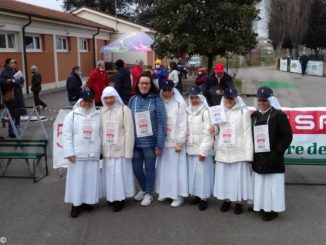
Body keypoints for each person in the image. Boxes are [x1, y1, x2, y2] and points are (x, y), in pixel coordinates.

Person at [251, 86, 293, 221]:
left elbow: (287, 135)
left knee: (272, 185)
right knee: (260, 183)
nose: (261, 103)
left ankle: (272, 210)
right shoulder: (254, 116)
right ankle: (260, 205)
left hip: (273, 156)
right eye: (259, 100)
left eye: (264, 101)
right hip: (259, 156)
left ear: (270, 100)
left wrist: (278, 150)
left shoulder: (278, 115)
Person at [213, 87, 254, 215]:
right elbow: (217, 130)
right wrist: (213, 130)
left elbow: (247, 134)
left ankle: (238, 203)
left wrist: (248, 155)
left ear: (236, 99)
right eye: (227, 98)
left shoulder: (243, 113)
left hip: (238, 152)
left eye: (232, 98)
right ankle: (226, 200)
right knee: (225, 178)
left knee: (237, 178)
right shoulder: (218, 112)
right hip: (223, 151)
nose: (229, 100)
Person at [128, 73, 167, 206]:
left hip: (151, 142)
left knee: (150, 168)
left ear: (151, 85)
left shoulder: (157, 100)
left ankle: (149, 193)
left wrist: (159, 144)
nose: (144, 86)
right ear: (137, 85)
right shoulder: (133, 100)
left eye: (146, 83)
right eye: (141, 83)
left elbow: (162, 123)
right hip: (135, 142)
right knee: (136, 168)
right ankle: (144, 188)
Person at [62, 90, 102, 218]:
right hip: (77, 155)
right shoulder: (72, 116)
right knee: (77, 181)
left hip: (92, 155)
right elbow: (66, 136)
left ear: (92, 102)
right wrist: (69, 152)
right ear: (80, 101)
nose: (87, 103)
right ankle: (75, 204)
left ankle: (87, 202)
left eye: (89, 101)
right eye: (84, 100)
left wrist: (100, 151)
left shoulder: (97, 116)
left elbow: (100, 134)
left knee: (90, 180)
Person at [100, 86, 135, 212]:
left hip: (120, 150)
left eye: (111, 98)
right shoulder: (102, 111)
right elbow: (100, 132)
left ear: (115, 97)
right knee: (109, 176)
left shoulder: (124, 110)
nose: (109, 100)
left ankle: (119, 199)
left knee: (119, 176)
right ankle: (111, 196)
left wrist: (128, 151)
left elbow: (129, 132)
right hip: (107, 150)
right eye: (106, 98)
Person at [155, 80, 188, 207]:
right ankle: (165, 191)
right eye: (165, 90)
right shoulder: (159, 103)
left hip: (176, 143)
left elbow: (182, 124)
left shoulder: (179, 104)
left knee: (176, 169)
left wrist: (180, 142)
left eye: (169, 90)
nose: (167, 92)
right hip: (163, 141)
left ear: (173, 90)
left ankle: (178, 195)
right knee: (164, 168)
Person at [186, 85, 214, 211]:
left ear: (201, 98)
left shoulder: (206, 112)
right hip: (191, 150)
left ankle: (204, 198)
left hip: (201, 151)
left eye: (196, 98)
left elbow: (208, 134)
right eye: (192, 98)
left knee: (203, 176)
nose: (193, 100)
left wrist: (203, 151)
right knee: (194, 175)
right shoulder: (188, 111)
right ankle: (197, 195)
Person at [0, 58, 25, 138]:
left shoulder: (17, 72)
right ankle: (11, 131)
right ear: (7, 64)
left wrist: (13, 81)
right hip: (10, 96)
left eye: (15, 62)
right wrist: (13, 82)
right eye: (12, 62)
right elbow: (3, 83)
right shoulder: (4, 73)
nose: (14, 64)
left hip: (18, 96)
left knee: (18, 114)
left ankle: (17, 129)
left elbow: (22, 81)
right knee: (11, 114)